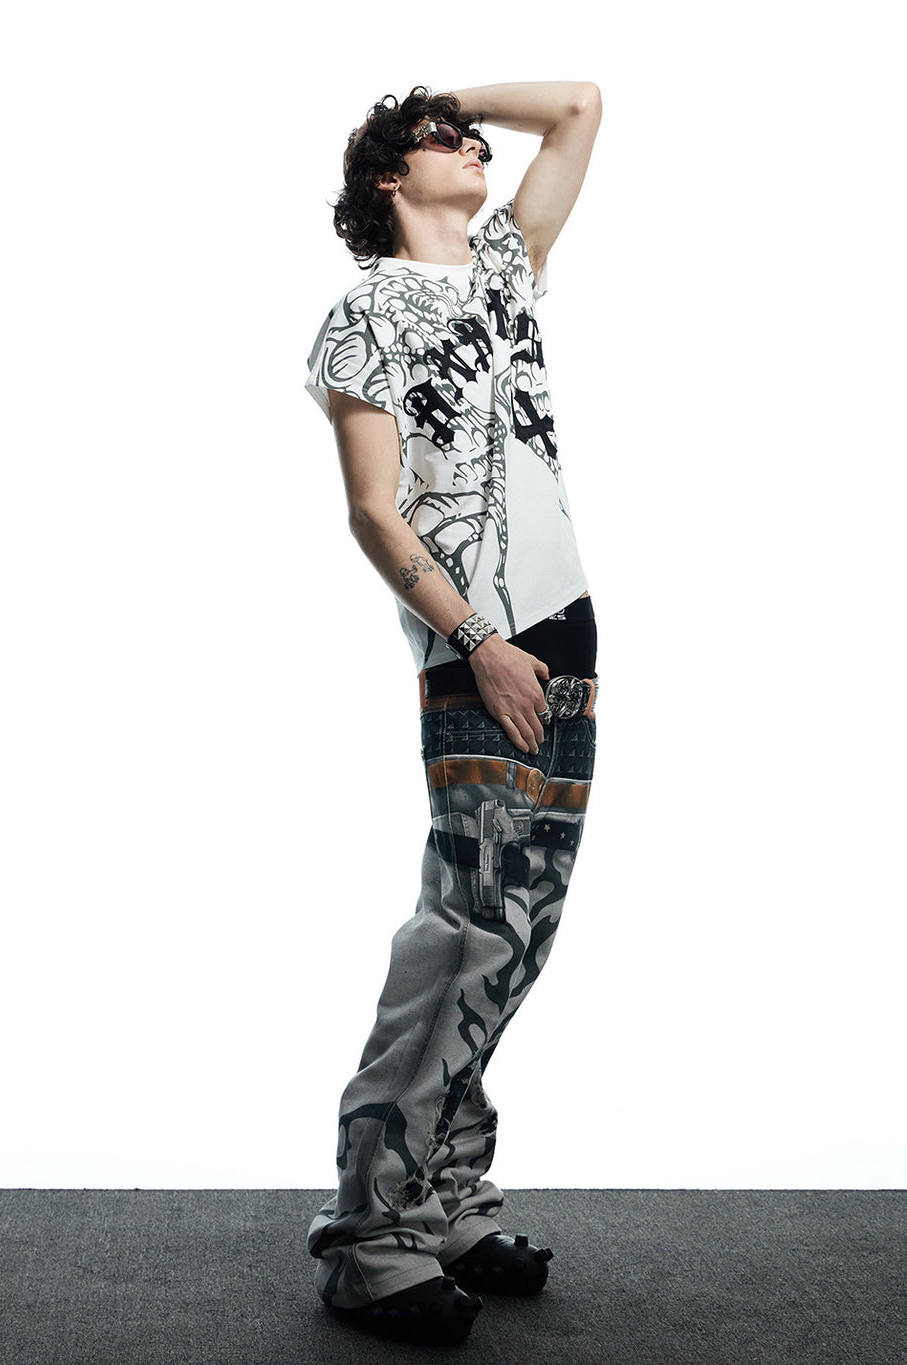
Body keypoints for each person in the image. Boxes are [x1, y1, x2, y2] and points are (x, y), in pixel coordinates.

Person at [302, 81, 603, 1347]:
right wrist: (478, 643)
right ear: (387, 178)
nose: (474, 146)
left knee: (518, 935)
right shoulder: (365, 312)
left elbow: (578, 107)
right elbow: (373, 509)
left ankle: (444, 1197)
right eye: (442, 141)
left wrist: (443, 99)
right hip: (475, 646)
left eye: (474, 138)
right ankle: (369, 1233)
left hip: (563, 627)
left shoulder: (503, 271)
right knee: (469, 926)